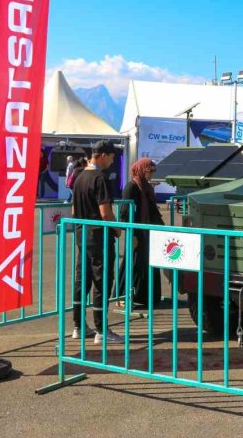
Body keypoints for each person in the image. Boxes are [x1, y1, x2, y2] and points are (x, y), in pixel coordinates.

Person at [72, 140, 123, 344]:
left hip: (82, 234)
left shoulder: (79, 177)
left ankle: (78, 326)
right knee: (102, 281)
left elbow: (74, 211)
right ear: (102, 155)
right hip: (99, 237)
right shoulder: (100, 178)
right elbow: (105, 213)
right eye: (111, 157)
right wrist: (117, 229)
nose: (112, 161)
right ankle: (102, 330)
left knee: (82, 280)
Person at [117, 158, 164, 309]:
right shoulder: (131, 187)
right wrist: (133, 235)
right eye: (150, 170)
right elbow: (125, 213)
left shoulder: (147, 187)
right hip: (137, 232)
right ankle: (122, 295)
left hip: (149, 232)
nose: (152, 174)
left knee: (149, 263)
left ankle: (145, 296)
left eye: (153, 171)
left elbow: (152, 210)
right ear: (142, 170)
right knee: (132, 263)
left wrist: (162, 228)